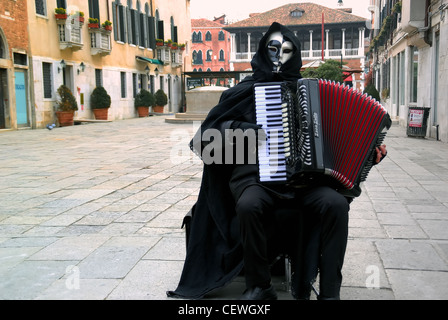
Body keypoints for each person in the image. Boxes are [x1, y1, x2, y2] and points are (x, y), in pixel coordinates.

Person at [167, 22, 387, 300]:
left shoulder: (311, 91)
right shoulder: (241, 92)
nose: (278, 55)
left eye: (286, 50)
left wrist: (371, 154)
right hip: (256, 179)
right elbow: (205, 142)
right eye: (272, 48)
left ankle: (330, 292)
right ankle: (260, 285)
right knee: (248, 205)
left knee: (335, 205)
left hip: (305, 184)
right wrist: (245, 132)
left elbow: (346, 142)